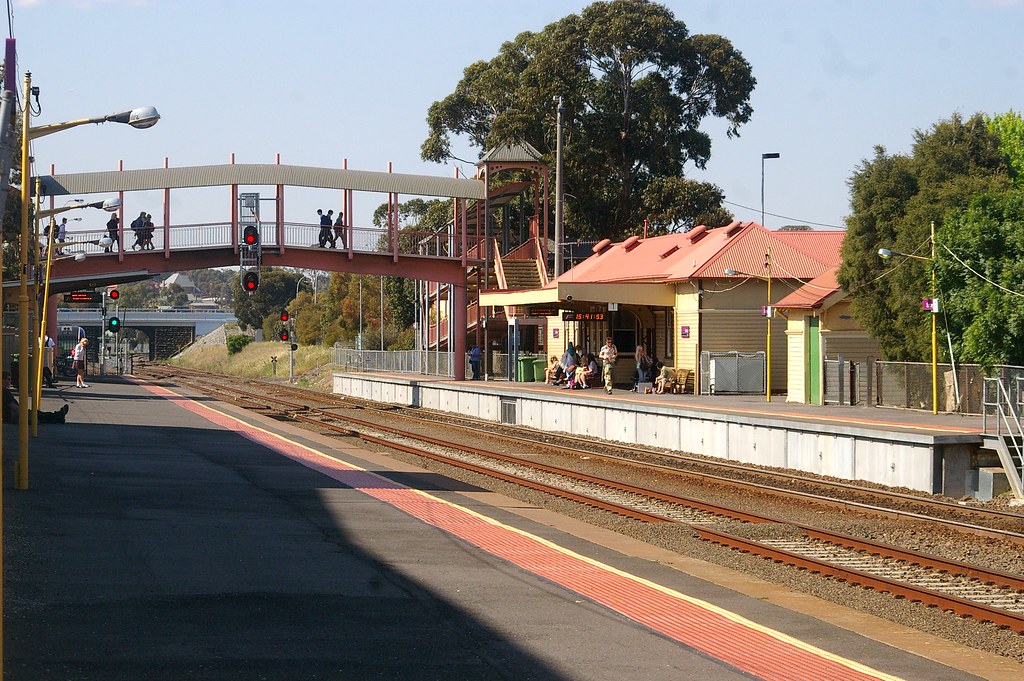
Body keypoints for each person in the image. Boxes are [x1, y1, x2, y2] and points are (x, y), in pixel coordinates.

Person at [3, 371, 68, 424]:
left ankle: (57, 417)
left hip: (12, 414)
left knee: (38, 414)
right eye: (8, 379)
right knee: (36, 415)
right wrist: (23, 410)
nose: (10, 381)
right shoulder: (4, 391)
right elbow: (12, 405)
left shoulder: (4, 390)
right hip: (13, 415)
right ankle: (57, 415)